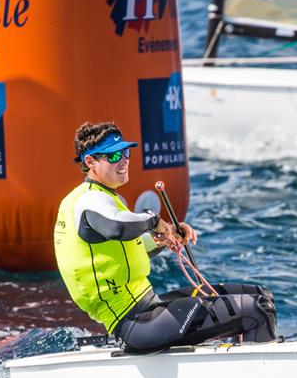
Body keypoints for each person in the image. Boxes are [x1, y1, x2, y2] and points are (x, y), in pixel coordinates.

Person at [54, 121, 277, 354]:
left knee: (260, 295)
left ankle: (247, 352)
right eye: (112, 156)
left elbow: (127, 247)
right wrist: (156, 222)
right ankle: (260, 376)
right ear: (90, 162)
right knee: (257, 310)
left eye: (125, 153)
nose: (123, 160)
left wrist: (162, 240)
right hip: (136, 323)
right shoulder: (89, 199)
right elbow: (118, 227)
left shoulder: (103, 198)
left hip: (150, 307)